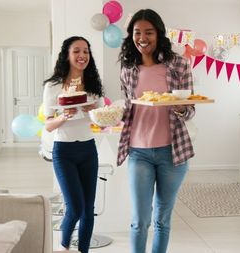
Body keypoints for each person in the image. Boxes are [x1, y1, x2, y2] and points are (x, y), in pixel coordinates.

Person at [117, 9, 196, 253]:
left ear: (159, 34)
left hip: (172, 153)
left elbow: (191, 109)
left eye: (148, 32)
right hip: (138, 151)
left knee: (162, 220)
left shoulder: (179, 65)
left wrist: (181, 107)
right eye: (137, 32)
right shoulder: (128, 69)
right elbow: (128, 106)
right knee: (140, 220)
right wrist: (115, 114)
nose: (142, 38)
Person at [43, 36, 104, 253]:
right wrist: (64, 116)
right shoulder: (53, 86)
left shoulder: (94, 86)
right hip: (64, 151)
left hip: (88, 149)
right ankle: (64, 247)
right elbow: (49, 125)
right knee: (75, 207)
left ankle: (83, 251)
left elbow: (102, 122)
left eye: (86, 51)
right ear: (67, 55)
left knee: (88, 209)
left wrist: (95, 111)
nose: (82, 56)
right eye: (76, 51)